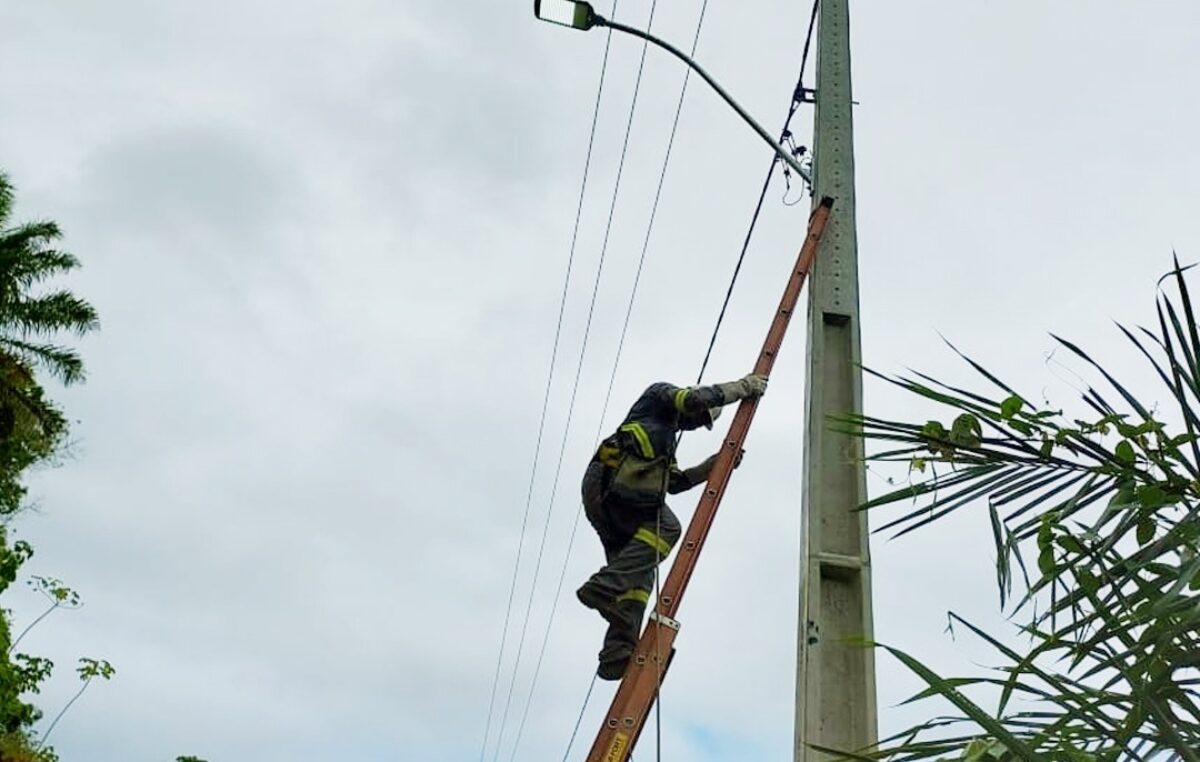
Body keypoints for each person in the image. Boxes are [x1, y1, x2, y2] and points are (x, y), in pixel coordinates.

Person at [576, 373, 768, 679]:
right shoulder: (658, 397)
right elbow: (692, 400)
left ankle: (616, 652)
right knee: (667, 527)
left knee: (639, 580)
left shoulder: (666, 441)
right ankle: (603, 586)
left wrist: (715, 465)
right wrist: (743, 388)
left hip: (613, 499)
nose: (693, 424)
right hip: (613, 484)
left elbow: (674, 484)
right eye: (698, 418)